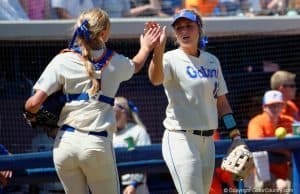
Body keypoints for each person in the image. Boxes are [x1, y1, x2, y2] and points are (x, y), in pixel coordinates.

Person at [23, 8, 160, 194]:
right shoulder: (115, 61)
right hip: (96, 144)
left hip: (65, 145)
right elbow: (135, 66)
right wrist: (146, 47)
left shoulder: (62, 59)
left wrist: (41, 118)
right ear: (103, 33)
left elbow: (32, 104)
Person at [147, 9, 246, 194]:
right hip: (180, 137)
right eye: (179, 28)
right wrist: (157, 52)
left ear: (199, 29)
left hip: (208, 141)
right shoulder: (170, 58)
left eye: (189, 26)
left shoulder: (212, 61)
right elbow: (155, 78)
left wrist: (236, 136)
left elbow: (222, 103)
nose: (184, 31)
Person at [247, 90, 293, 193]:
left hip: (287, 172)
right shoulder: (256, 122)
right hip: (263, 175)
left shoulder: (288, 121)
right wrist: (285, 150)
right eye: (271, 106)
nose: (276, 108)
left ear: (283, 106)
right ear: (264, 107)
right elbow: (257, 144)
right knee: (282, 187)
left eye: (279, 105)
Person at [113, 97, 151, 194]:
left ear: (123, 110)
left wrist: (134, 184)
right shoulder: (108, 134)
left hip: (135, 188)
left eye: (112, 106)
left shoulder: (137, 131)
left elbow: (145, 160)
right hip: (114, 185)